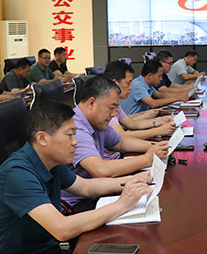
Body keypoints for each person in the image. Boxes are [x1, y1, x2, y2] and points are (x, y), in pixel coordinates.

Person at [0, 101, 152, 254]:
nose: (75, 142)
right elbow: (61, 229)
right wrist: (122, 204)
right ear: (42, 138)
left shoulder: (50, 162)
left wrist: (134, 180)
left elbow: (87, 187)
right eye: (70, 135)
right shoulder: (17, 173)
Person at [62, 75, 169, 213]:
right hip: (77, 203)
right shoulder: (75, 128)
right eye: (111, 108)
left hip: (97, 190)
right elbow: (100, 169)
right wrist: (147, 159)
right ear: (91, 103)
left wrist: (155, 147)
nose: (113, 114)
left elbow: (122, 142)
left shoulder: (97, 122)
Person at [104, 60, 176, 139]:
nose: (131, 87)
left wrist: (161, 120)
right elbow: (122, 136)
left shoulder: (116, 105)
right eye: (128, 83)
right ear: (115, 83)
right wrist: (158, 131)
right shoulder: (107, 106)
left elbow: (132, 123)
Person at [120, 60, 189, 115]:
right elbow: (153, 104)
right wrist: (177, 98)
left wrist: (182, 95)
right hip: (131, 121)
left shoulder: (147, 84)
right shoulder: (138, 85)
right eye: (159, 76)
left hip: (141, 118)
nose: (161, 79)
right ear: (149, 75)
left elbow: (161, 95)